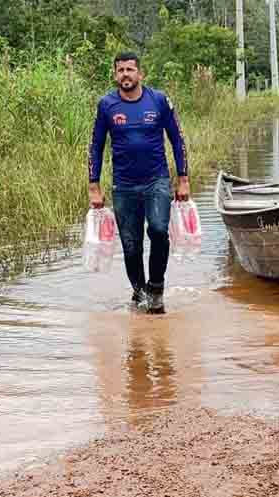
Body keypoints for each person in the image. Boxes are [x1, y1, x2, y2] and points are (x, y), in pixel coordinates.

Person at [87, 52, 190, 314]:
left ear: (140, 73)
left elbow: (177, 139)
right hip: (124, 186)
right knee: (131, 246)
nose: (125, 74)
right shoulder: (106, 105)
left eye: (130, 69)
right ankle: (139, 293)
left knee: (157, 230)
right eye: (120, 70)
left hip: (157, 181)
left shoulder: (159, 100)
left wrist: (183, 179)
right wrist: (93, 186)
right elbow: (95, 146)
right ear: (115, 75)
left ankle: (156, 288)